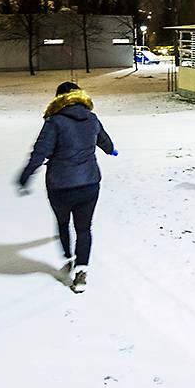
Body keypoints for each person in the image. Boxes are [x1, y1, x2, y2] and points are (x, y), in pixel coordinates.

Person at [18, 81, 116, 293]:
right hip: (89, 184)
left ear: (58, 99)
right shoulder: (91, 119)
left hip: (60, 185)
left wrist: (26, 175)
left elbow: (40, 152)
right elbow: (105, 142)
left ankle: (69, 257)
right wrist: (111, 150)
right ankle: (81, 272)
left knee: (63, 222)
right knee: (84, 228)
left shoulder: (54, 122)